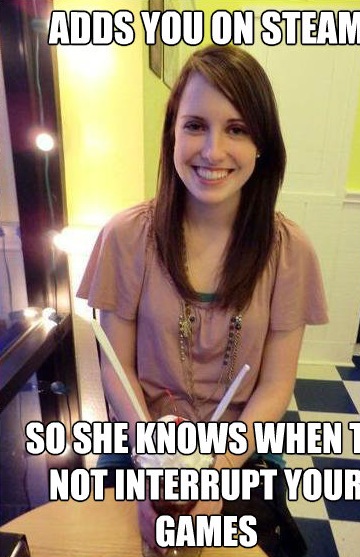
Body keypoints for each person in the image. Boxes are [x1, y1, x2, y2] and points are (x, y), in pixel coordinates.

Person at [77, 45, 328, 557]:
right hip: (143, 441)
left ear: (262, 144)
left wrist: (217, 471)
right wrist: (155, 464)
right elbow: (117, 368)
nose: (213, 151)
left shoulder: (290, 250)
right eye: (195, 125)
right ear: (172, 133)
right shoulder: (126, 236)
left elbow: (275, 385)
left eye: (237, 129)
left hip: (240, 448)